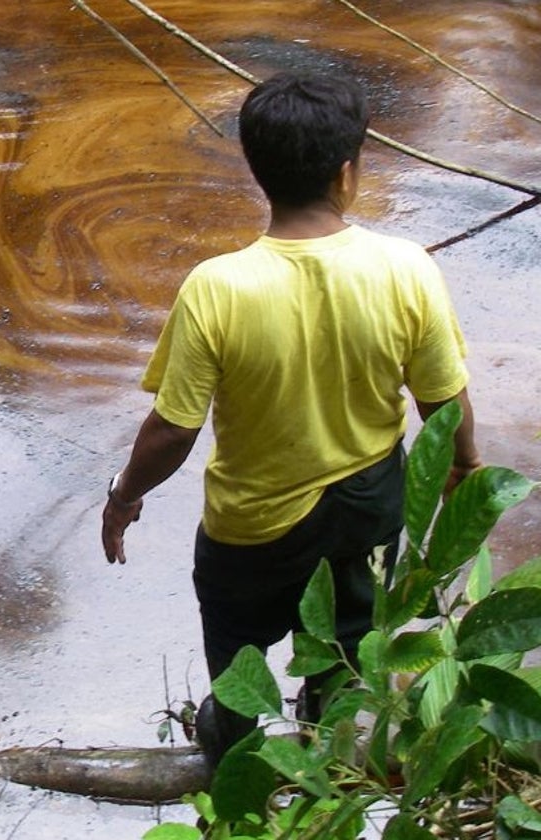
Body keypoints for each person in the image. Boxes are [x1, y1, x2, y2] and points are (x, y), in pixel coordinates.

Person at [99, 71, 481, 763]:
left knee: (238, 658)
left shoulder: (217, 287)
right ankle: (328, 756)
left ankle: (235, 758)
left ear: (256, 169)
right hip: (368, 507)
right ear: (347, 172)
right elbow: (443, 400)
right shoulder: (407, 268)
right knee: (347, 640)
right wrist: (463, 466)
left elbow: (173, 429)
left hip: (252, 530)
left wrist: (124, 497)